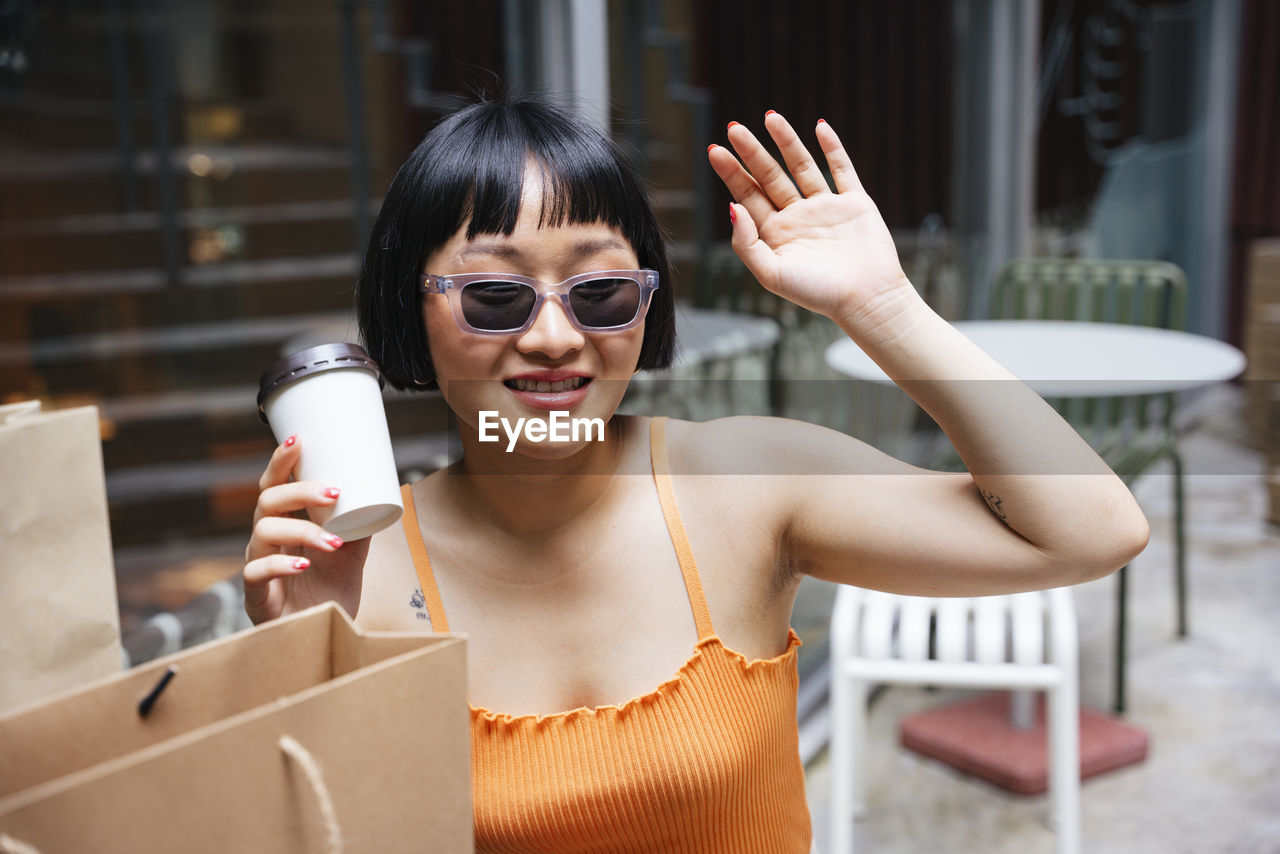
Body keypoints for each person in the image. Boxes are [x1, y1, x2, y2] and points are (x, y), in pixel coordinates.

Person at [242, 96, 1149, 853]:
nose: (555, 338)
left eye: (599, 293)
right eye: (494, 296)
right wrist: (305, 661)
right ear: (414, 309)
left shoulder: (745, 486)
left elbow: (1090, 531)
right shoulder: (356, 565)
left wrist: (884, 308)